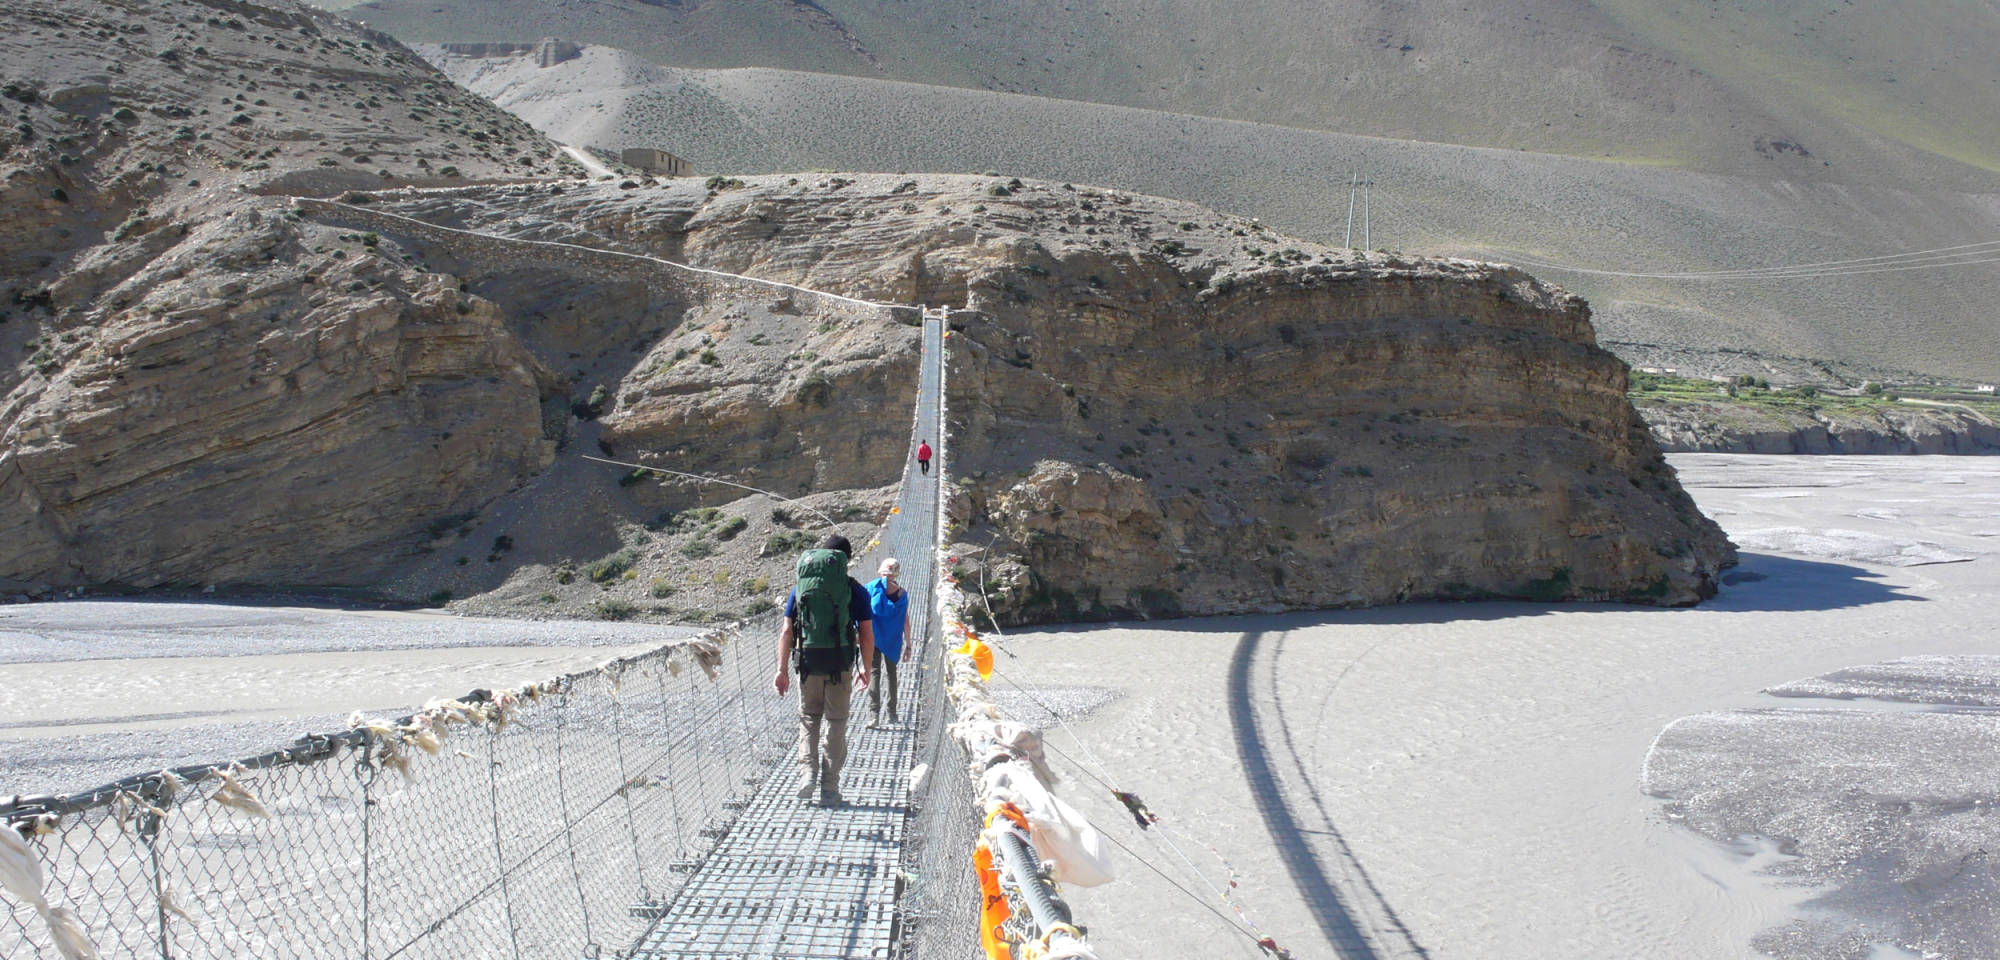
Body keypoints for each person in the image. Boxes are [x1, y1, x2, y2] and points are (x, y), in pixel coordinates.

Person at [774, 534, 874, 806]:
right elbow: (866, 635)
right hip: (839, 665)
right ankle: (830, 789)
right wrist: (865, 667)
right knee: (836, 723)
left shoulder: (800, 589)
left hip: (806, 662)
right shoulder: (855, 590)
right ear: (845, 561)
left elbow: (786, 630)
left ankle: (807, 773)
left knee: (809, 718)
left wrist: (781, 669)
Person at [864, 558, 910, 727]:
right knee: (892, 675)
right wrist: (909, 645)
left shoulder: (870, 588)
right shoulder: (901, 594)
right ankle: (892, 714)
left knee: (874, 672)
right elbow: (905, 620)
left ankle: (874, 715)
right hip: (893, 640)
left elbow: (862, 614)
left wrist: (859, 636)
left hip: (873, 637)